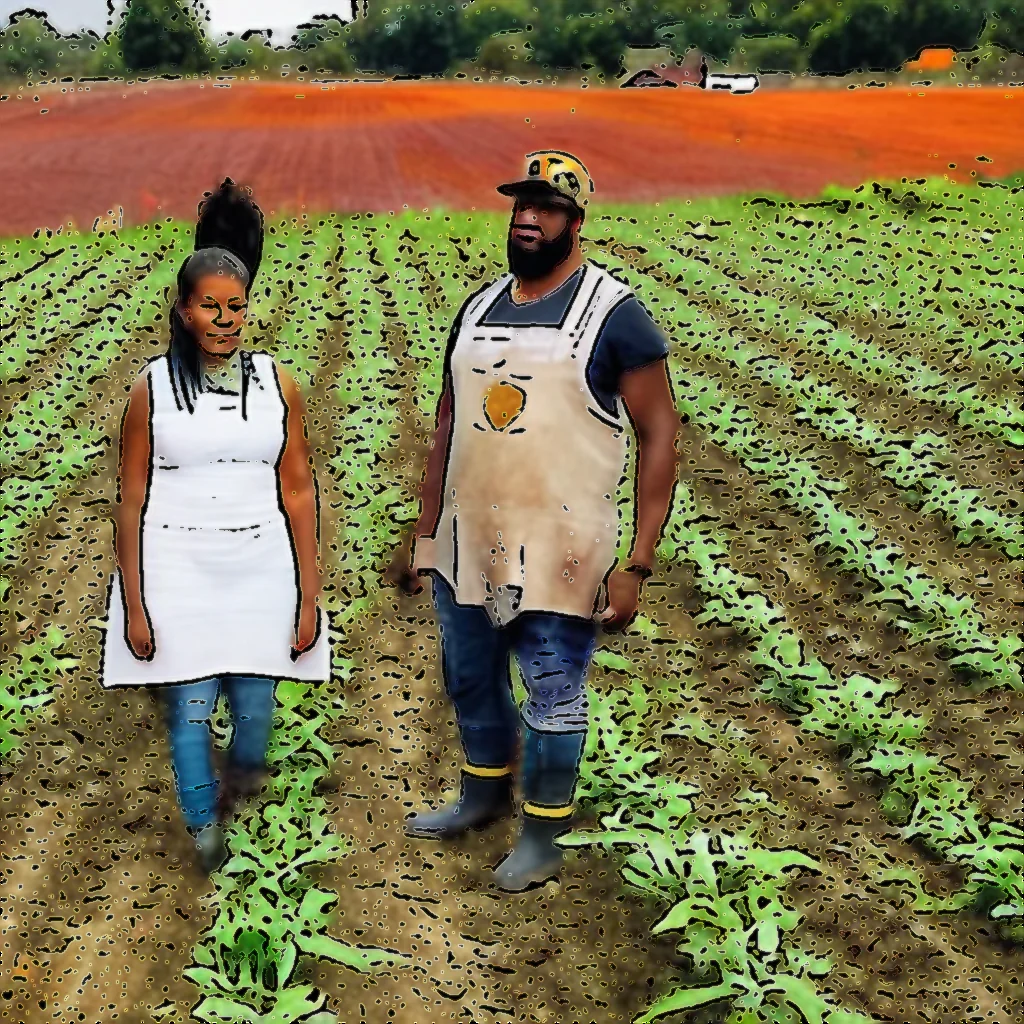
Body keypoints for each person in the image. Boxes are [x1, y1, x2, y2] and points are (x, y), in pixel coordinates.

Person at [387, 150, 681, 892]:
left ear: (575, 222)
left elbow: (660, 437)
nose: (527, 218)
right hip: (468, 539)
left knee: (553, 690)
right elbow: (448, 423)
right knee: (469, 677)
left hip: (562, 547)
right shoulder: (478, 308)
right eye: (521, 204)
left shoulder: (615, 316)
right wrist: (425, 531)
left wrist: (638, 562)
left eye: (546, 207)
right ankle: (482, 797)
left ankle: (544, 836)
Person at [99, 182, 330, 875]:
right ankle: (205, 832)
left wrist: (310, 596)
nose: (225, 320)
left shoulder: (277, 383)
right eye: (210, 307)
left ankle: (243, 781)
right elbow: (131, 500)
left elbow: (298, 489)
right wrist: (135, 603)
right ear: (184, 310)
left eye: (236, 306)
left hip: (261, 568)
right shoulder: (151, 388)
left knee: (255, 711)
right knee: (192, 709)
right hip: (179, 570)